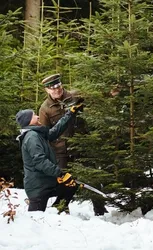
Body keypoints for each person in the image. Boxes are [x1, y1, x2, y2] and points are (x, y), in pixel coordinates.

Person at [39, 73, 107, 216]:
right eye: (52, 88)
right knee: (65, 181)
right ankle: (62, 208)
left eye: (58, 86)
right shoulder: (45, 108)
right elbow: (46, 134)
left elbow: (97, 96)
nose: (56, 90)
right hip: (61, 150)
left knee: (92, 176)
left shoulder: (75, 96)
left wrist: (110, 93)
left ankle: (100, 209)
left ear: (61, 84)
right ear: (47, 90)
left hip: (82, 146)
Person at [16, 106, 82, 213]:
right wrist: (60, 174)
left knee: (70, 185)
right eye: (34, 115)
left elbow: (54, 132)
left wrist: (70, 114)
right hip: (38, 187)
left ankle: (57, 211)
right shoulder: (32, 137)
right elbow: (40, 162)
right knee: (35, 220)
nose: (37, 116)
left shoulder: (38, 134)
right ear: (28, 121)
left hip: (47, 182)